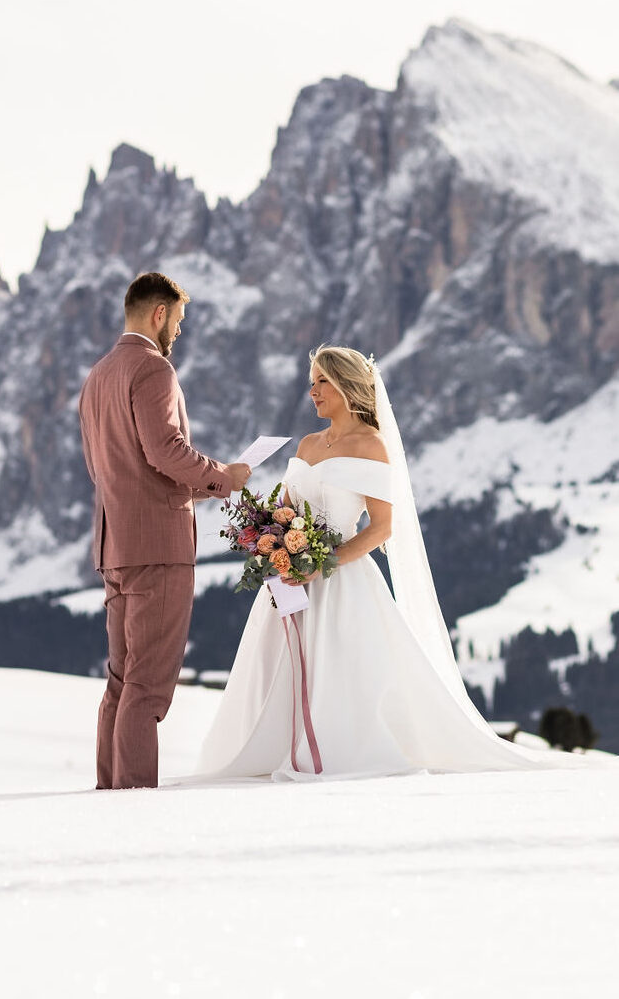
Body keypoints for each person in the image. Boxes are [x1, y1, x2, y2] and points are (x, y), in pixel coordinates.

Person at [192, 345, 615, 781]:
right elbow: (285, 506)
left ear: (347, 385)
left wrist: (323, 563)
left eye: (322, 381)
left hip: (341, 582)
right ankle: (282, 749)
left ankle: (335, 752)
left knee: (343, 677)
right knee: (278, 674)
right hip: (287, 582)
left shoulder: (371, 445)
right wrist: (269, 537)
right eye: (311, 381)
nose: (312, 391)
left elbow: (380, 528)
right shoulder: (307, 443)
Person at [78, 272, 250, 789]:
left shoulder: (98, 376)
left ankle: (111, 792)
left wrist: (196, 487)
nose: (178, 329)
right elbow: (164, 451)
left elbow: (115, 469)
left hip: (115, 544)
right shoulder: (153, 370)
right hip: (158, 547)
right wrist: (225, 478)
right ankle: (132, 799)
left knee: (121, 679)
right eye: (177, 318)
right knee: (149, 686)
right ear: (159, 314)